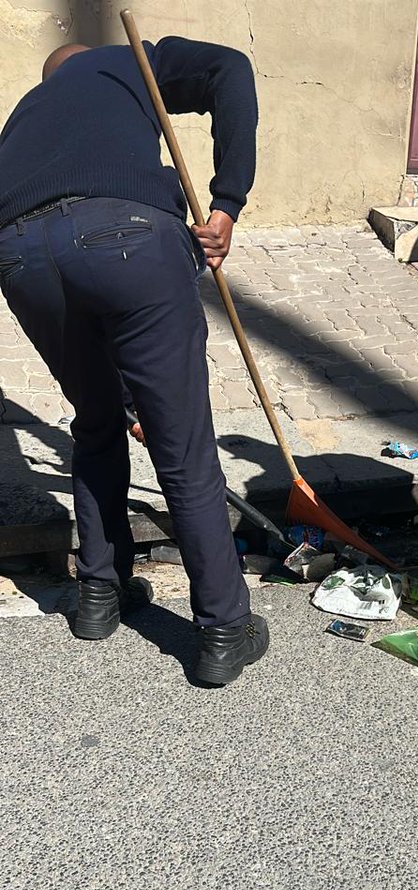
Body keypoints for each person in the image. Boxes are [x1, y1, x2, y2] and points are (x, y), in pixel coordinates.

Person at [0, 38, 268, 687]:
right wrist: (227, 200)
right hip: (125, 236)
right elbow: (229, 68)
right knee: (181, 444)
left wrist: (122, 402)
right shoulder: (130, 60)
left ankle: (99, 595)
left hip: (18, 254)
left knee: (94, 421)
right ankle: (223, 629)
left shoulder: (25, 115)